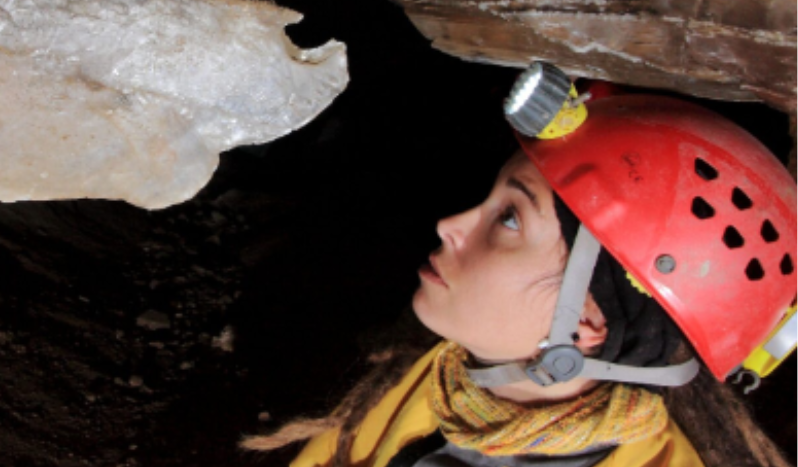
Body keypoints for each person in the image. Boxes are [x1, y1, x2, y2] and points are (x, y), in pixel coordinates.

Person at [243, 63, 796, 467]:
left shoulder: (454, 387)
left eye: (509, 218)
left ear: (581, 326)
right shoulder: (448, 382)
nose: (450, 224)